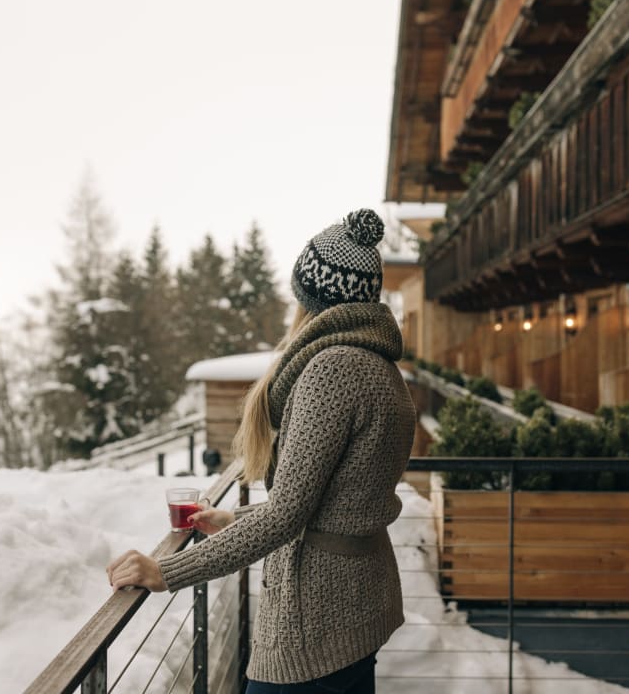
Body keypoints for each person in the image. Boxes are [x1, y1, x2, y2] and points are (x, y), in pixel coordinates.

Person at [107, 209, 416, 693]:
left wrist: (166, 571)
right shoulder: (379, 367)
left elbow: (288, 516)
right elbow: (329, 502)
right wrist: (233, 521)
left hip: (316, 619)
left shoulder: (332, 370)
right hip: (358, 604)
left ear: (310, 300)